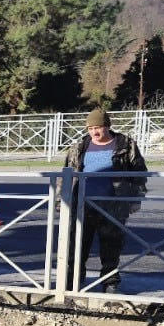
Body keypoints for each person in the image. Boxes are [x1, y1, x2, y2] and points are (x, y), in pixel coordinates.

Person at [63, 107, 147, 294]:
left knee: (111, 246)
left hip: (113, 205)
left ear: (107, 126)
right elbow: (67, 175)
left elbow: (140, 173)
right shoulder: (79, 146)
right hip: (82, 204)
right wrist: (63, 202)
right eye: (90, 128)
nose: (94, 132)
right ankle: (73, 278)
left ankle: (109, 281)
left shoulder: (125, 145)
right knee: (77, 244)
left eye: (98, 127)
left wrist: (135, 198)